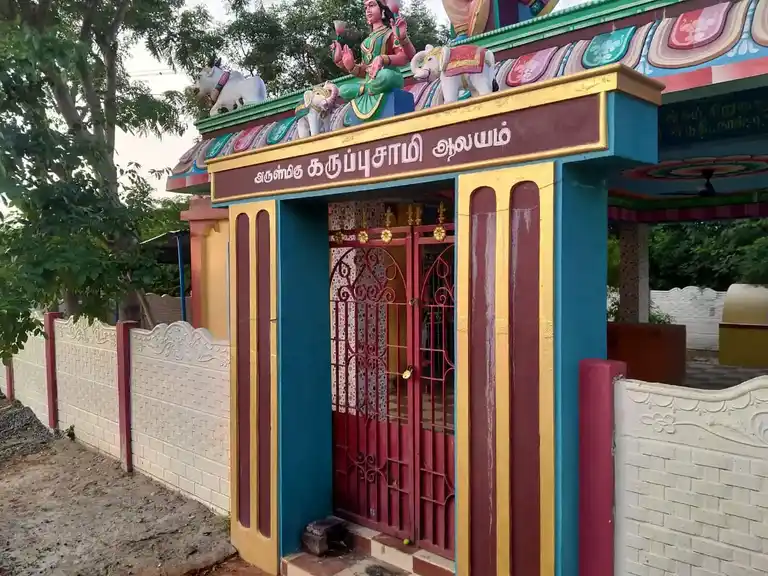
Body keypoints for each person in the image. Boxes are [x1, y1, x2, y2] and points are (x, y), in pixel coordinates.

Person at [330, 0, 416, 118]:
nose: (368, 10)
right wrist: (350, 66)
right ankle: (368, 89)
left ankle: (365, 90)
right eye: (365, 8)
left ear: (382, 10)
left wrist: (401, 41)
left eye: (372, 5)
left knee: (385, 76)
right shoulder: (365, 42)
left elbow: (406, 57)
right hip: (371, 82)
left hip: (388, 77)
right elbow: (366, 71)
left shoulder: (390, 33)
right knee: (343, 89)